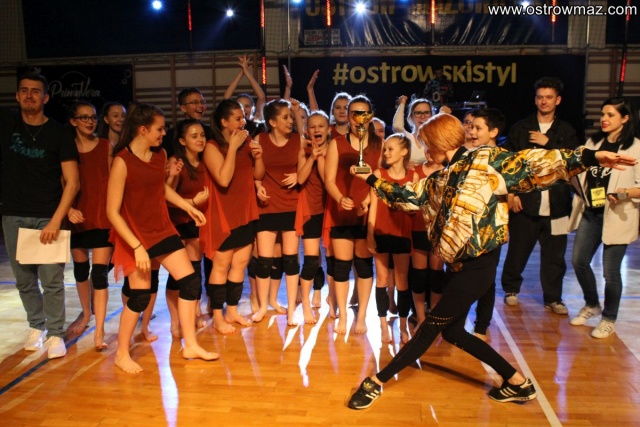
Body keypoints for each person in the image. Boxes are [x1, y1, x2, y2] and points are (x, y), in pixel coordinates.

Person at [346, 112, 635, 409]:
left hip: (478, 266)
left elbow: (534, 162)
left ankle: (375, 382)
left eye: (427, 144)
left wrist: (589, 157)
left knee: (430, 327)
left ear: (439, 143)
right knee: (452, 332)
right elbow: (407, 196)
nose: (426, 151)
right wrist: (371, 178)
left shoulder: (485, 161)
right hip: (457, 266)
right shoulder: (441, 177)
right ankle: (517, 382)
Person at [106, 102, 218, 374]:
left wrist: (188, 207)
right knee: (140, 296)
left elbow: (162, 191)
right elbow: (112, 211)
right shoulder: (122, 161)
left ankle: (190, 344)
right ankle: (121, 353)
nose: (163, 133)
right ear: (143, 130)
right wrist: (137, 246)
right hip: (135, 235)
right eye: (159, 129)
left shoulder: (160, 155)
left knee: (190, 282)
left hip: (162, 228)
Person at [0, 71, 80, 359]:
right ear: (17, 95)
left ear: (46, 97)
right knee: (24, 280)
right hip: (13, 214)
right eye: (24, 90)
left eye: (35, 91)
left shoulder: (59, 133)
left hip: (48, 214)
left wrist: (57, 220)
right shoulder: (7, 123)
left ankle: (56, 332)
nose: (29, 95)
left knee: (52, 280)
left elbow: (73, 182)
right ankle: (37, 326)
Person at [501, 77, 579, 314]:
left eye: (549, 97)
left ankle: (553, 298)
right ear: (535, 100)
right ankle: (511, 289)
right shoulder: (521, 128)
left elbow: (572, 163)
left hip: (558, 204)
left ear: (558, 100)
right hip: (526, 202)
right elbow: (509, 164)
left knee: (555, 257)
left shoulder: (566, 130)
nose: (544, 101)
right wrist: (511, 193)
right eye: (540, 97)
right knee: (517, 251)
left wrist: (549, 143)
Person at [568, 97, 640, 339]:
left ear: (625, 118)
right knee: (579, 261)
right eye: (603, 114)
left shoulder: (636, 147)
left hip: (618, 215)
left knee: (611, 272)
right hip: (591, 212)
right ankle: (592, 304)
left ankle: (609, 319)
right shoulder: (594, 142)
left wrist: (624, 193)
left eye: (610, 115)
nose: (604, 119)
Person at [201, 99, 264, 334]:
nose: (243, 122)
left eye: (243, 117)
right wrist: (233, 148)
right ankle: (218, 316)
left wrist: (258, 156)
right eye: (237, 118)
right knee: (221, 266)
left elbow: (258, 174)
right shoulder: (212, 147)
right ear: (224, 122)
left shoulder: (246, 142)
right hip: (223, 214)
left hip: (245, 211)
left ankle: (233, 311)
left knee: (240, 264)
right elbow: (224, 179)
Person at [323, 95, 383, 334]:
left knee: (364, 265)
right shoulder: (337, 143)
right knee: (341, 266)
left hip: (368, 212)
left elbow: (381, 178)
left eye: (364, 113)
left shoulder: (379, 144)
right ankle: (344, 316)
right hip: (342, 211)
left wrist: (368, 200)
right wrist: (340, 198)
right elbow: (329, 179)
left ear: (371, 116)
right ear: (348, 116)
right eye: (355, 113)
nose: (360, 118)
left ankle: (362, 317)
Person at [66, 101, 113, 350]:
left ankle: (100, 330)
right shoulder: (66, 148)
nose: (89, 121)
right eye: (83, 117)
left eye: (93, 117)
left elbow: (115, 181)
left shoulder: (106, 146)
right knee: (81, 271)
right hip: (77, 218)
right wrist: (68, 209)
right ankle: (86, 314)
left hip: (103, 218)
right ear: (73, 121)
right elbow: (61, 182)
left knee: (100, 274)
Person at [252, 99, 304, 325]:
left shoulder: (297, 140)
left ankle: (292, 309)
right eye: (285, 117)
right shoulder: (260, 139)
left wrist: (299, 175)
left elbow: (306, 166)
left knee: (290, 260)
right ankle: (263, 306)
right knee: (264, 261)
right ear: (272, 122)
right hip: (267, 205)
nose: (290, 121)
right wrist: (257, 185)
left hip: (291, 204)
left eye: (291, 117)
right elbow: (257, 173)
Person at [367, 134, 416, 343]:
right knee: (382, 279)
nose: (386, 153)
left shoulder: (413, 176)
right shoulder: (378, 174)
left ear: (404, 152)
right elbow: (373, 207)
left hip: (402, 233)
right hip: (381, 231)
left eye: (390, 149)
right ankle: (383, 326)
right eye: (385, 149)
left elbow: (414, 207)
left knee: (402, 281)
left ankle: (403, 327)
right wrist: (370, 235)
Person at [165, 119, 210, 336]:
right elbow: (166, 197)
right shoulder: (177, 162)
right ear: (182, 141)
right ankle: (175, 321)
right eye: (194, 136)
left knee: (194, 270)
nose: (200, 139)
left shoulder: (205, 161)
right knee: (177, 275)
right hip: (176, 223)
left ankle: (193, 312)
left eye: (202, 135)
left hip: (196, 222)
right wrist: (192, 202)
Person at [466, 108, 506, 340]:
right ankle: (456, 322)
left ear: (493, 132)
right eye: (471, 127)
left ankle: (481, 326)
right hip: (466, 226)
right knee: (461, 274)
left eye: (478, 128)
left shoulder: (504, 159)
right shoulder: (467, 156)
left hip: (490, 228)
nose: (472, 132)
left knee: (486, 279)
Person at [296, 110, 329, 323]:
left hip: (330, 210)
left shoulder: (333, 149)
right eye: (312, 126)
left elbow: (328, 180)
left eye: (321, 126)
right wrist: (312, 157)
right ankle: (306, 303)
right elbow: (300, 179)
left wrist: (323, 156)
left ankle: (320, 291)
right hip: (311, 210)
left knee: (328, 258)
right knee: (311, 259)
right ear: (307, 130)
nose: (316, 129)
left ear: (328, 129)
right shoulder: (304, 151)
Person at [223, 54, 267, 138]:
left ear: (253, 108)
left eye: (247, 106)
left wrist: (247, 72)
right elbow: (226, 98)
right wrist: (241, 73)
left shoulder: (257, 119)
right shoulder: (233, 124)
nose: (243, 109)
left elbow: (261, 97)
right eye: (240, 106)